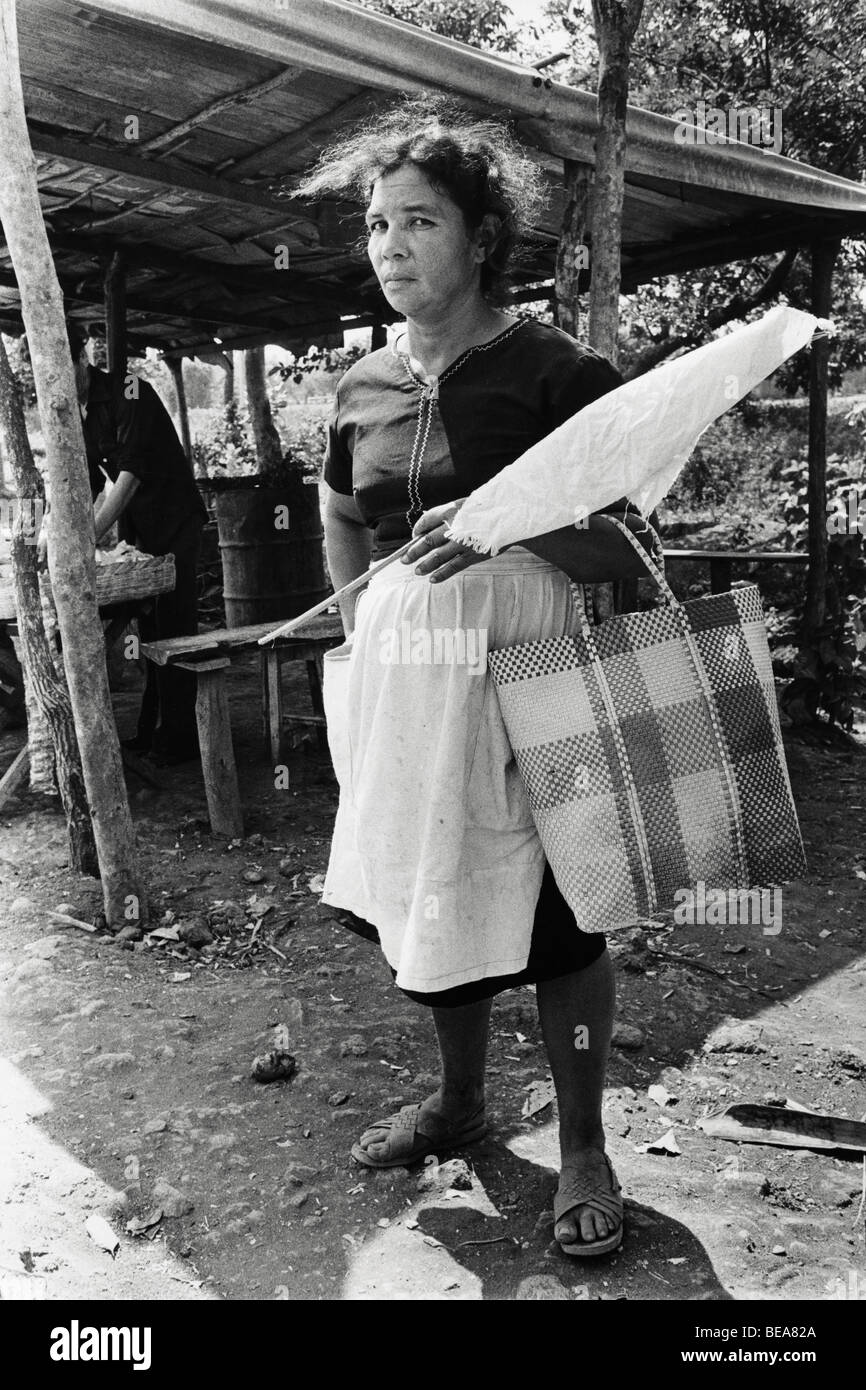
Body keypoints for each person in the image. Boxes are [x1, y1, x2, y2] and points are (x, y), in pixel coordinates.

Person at [305, 100, 655, 1258]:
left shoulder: (559, 371)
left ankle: (585, 1145)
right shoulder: (362, 384)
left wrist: (508, 526)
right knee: (437, 891)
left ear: (481, 238)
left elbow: (632, 555)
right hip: (412, 692)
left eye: (418, 222)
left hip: (537, 682)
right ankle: (457, 1102)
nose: (390, 246)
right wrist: (359, 615)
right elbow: (341, 505)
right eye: (374, 225)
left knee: (560, 924)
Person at [65, 323, 207, 764]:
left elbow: (130, 475)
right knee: (146, 631)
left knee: (176, 627)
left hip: (176, 521)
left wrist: (86, 538)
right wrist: (62, 532)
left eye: (63, 367)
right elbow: (87, 482)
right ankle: (152, 730)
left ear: (83, 355)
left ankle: (181, 737)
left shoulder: (130, 390)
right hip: (140, 531)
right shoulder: (77, 412)